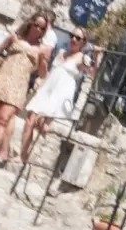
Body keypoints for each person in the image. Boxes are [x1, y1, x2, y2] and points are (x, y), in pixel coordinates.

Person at [0, 10, 52, 166]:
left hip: (19, 84)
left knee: (3, 119)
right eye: (37, 25)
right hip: (2, 78)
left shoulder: (42, 49)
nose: (38, 30)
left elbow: (42, 74)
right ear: (31, 23)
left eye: (42, 28)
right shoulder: (15, 37)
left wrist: (43, 59)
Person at [19, 32, 96, 164]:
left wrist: (96, 53)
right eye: (72, 35)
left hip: (60, 93)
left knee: (41, 124)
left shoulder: (82, 58)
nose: (73, 39)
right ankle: (22, 155)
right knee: (29, 121)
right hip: (47, 88)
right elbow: (50, 71)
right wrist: (39, 79)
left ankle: (34, 155)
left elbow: (93, 72)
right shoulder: (61, 52)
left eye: (77, 38)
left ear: (83, 42)